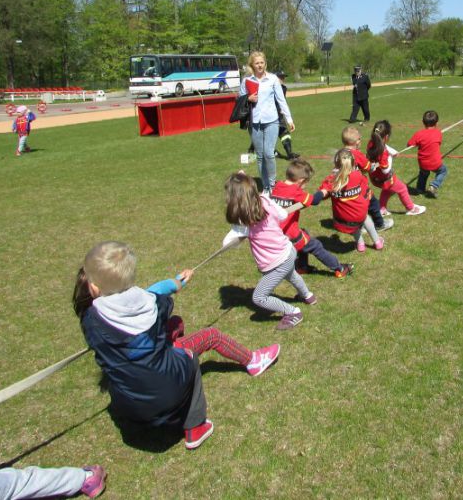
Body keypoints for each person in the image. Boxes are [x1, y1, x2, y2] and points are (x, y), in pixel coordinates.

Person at [75, 241, 280, 450]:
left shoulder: (90, 320)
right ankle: (200, 422)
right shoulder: (153, 304)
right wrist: (175, 284)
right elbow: (154, 295)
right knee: (208, 339)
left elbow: (146, 298)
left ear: (93, 286)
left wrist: (175, 282)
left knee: (175, 324)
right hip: (166, 395)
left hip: (128, 405)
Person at [223, 171, 316, 330]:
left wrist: (228, 243)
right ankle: (308, 296)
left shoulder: (243, 219)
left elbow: (229, 242)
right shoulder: (265, 199)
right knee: (291, 275)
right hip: (288, 251)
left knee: (259, 297)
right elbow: (282, 215)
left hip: (277, 261)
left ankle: (293, 312)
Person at [271, 158, 353, 278]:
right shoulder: (295, 191)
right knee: (316, 246)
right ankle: (339, 268)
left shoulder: (277, 186)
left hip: (278, 231)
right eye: (306, 182)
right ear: (301, 180)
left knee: (304, 234)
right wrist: (325, 189)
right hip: (290, 233)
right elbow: (314, 200)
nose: (305, 186)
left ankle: (302, 267)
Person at [239, 52, 294, 193]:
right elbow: (240, 99)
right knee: (260, 156)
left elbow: (281, 100)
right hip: (254, 122)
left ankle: (272, 185)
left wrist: (289, 119)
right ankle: (265, 187)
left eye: (261, 62)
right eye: (257, 63)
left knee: (269, 154)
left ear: (265, 63)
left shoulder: (273, 79)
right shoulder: (246, 80)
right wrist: (248, 98)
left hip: (271, 121)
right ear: (252, 65)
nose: (259, 65)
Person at [318, 149, 383, 253]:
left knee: (353, 224)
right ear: (353, 163)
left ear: (336, 163)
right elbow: (364, 190)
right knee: (365, 218)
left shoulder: (331, 180)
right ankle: (377, 242)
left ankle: (360, 244)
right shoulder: (357, 175)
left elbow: (322, 195)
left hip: (342, 218)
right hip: (359, 213)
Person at [366, 120, 425, 216]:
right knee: (402, 188)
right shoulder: (383, 152)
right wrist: (390, 158)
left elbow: (384, 146)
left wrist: (393, 151)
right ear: (386, 137)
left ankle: (382, 209)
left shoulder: (372, 143)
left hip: (375, 177)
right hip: (385, 178)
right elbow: (385, 170)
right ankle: (411, 208)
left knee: (387, 190)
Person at [341, 126, 393, 231]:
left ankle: (358, 226)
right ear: (357, 141)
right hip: (360, 187)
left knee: (354, 207)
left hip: (346, 188)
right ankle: (379, 224)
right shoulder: (357, 154)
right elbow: (368, 167)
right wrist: (374, 165)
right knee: (373, 204)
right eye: (360, 139)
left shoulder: (341, 153)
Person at [407, 110, 448, 198]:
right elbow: (438, 143)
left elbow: (409, 144)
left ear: (423, 122)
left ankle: (420, 189)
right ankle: (434, 185)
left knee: (423, 173)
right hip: (435, 162)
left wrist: (418, 143)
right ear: (437, 123)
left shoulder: (419, 134)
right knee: (443, 170)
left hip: (423, 163)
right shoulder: (438, 133)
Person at [273, 71, 298, 160]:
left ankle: (289, 153)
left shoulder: (283, 88)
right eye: (280, 77)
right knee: (268, 135)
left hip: (279, 115)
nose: (283, 79)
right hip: (270, 116)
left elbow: (282, 101)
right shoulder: (270, 87)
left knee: (284, 133)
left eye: (283, 77)